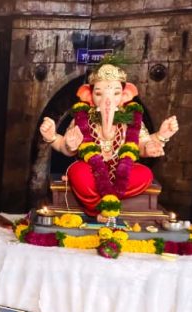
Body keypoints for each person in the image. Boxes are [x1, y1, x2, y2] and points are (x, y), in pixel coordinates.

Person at [39, 59, 179, 219]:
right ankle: (100, 209)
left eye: (116, 93)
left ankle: (109, 200)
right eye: (99, 94)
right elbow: (66, 147)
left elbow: (141, 144)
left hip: (122, 171)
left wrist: (160, 137)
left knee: (144, 174)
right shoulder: (82, 119)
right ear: (89, 95)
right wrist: (55, 138)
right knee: (78, 172)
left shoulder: (131, 120)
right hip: (90, 171)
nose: (108, 101)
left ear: (125, 95)